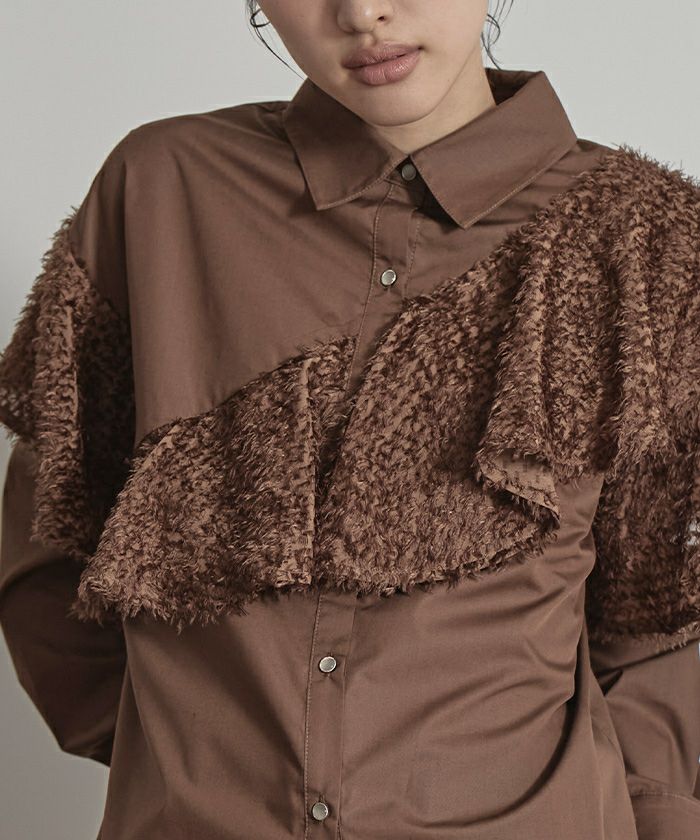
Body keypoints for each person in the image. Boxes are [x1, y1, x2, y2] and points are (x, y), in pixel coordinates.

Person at [0, 1, 699, 838]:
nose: (364, 11)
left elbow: (667, 622)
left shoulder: (644, 240)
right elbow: (53, 538)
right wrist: (186, 762)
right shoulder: (159, 189)